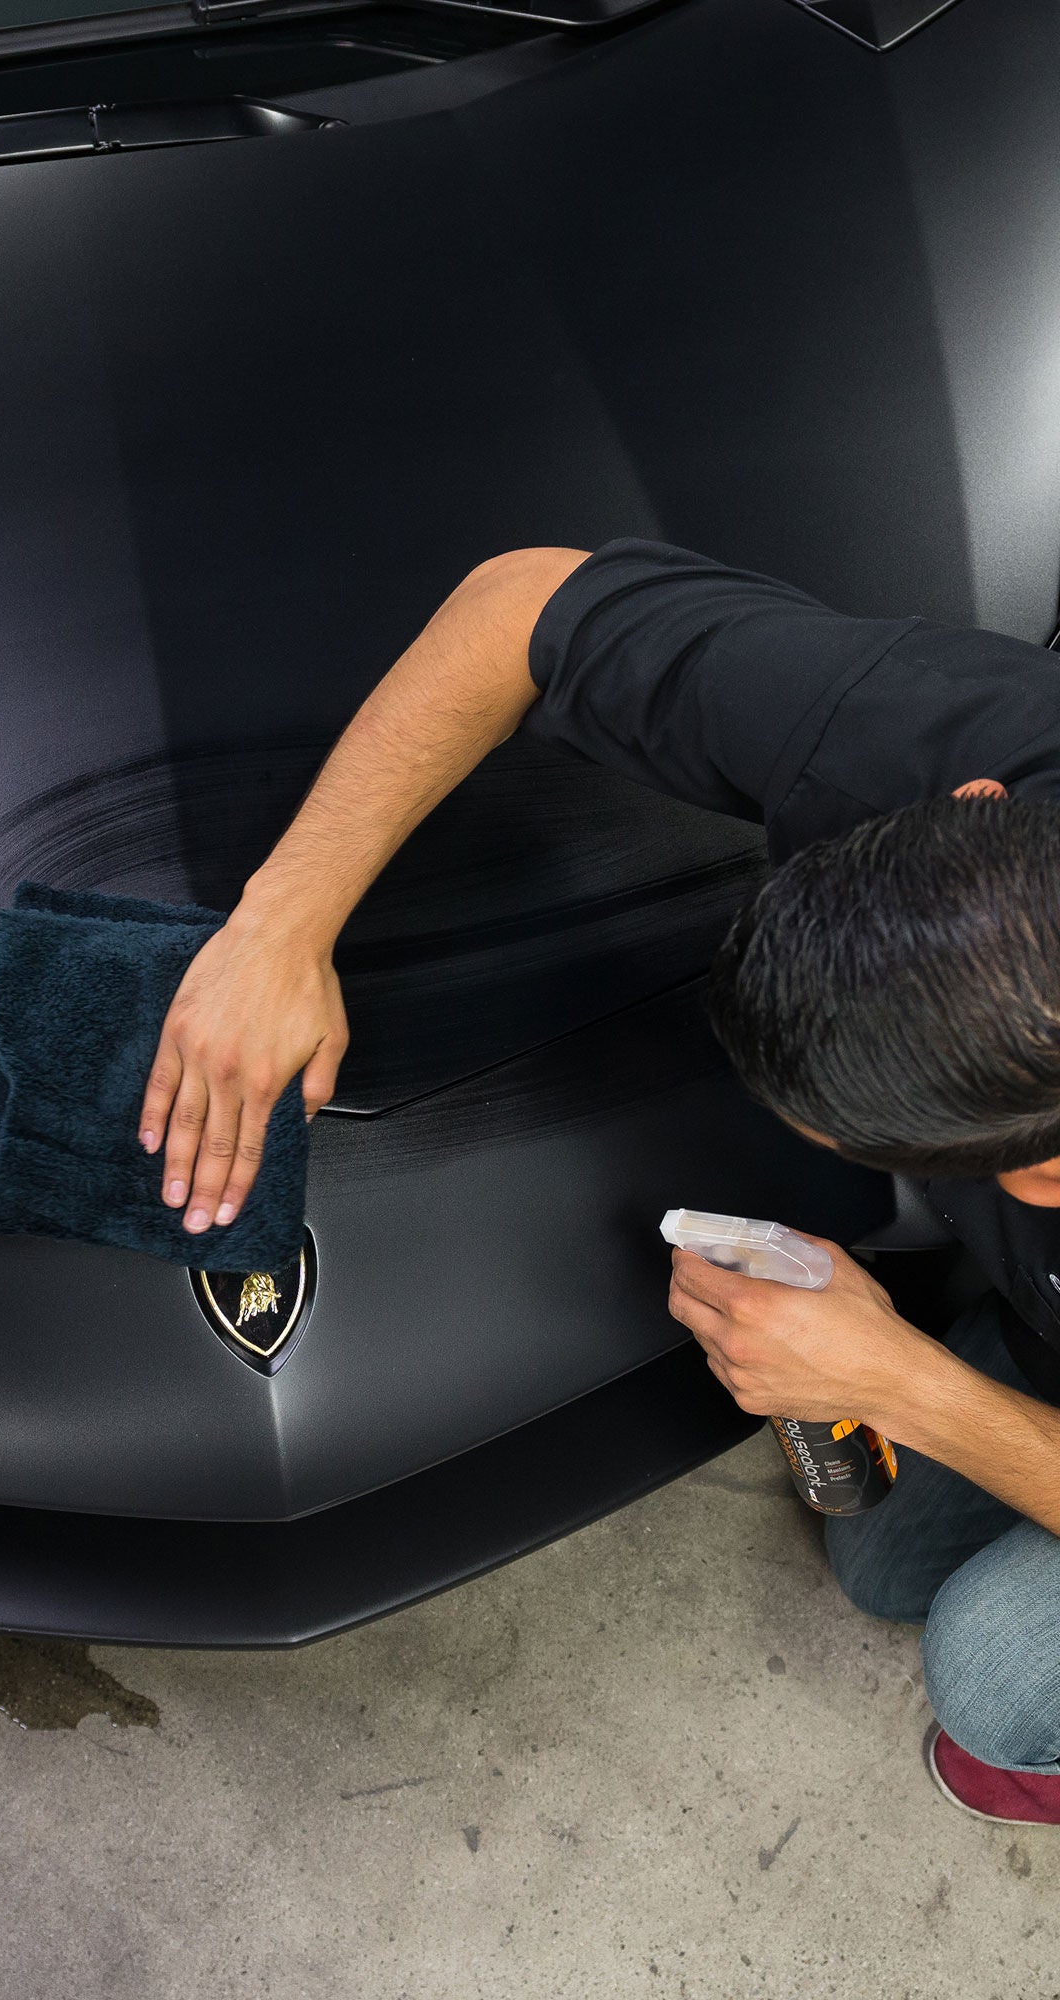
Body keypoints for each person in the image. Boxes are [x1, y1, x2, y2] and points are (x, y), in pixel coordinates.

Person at [138, 542, 1060, 1827]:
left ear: (1038, 1171)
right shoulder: (967, 738)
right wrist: (278, 923)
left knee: (991, 1676)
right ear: (967, 804)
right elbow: (516, 606)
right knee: (880, 1557)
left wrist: (903, 1381)